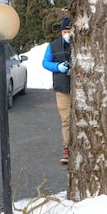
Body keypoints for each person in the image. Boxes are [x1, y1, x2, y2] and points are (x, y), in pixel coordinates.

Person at [42, 17, 73, 164]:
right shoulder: (53, 46)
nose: (67, 33)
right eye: (65, 31)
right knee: (66, 119)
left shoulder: (80, 44)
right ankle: (67, 148)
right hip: (62, 87)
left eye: (69, 30)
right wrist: (57, 67)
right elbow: (45, 62)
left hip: (78, 87)